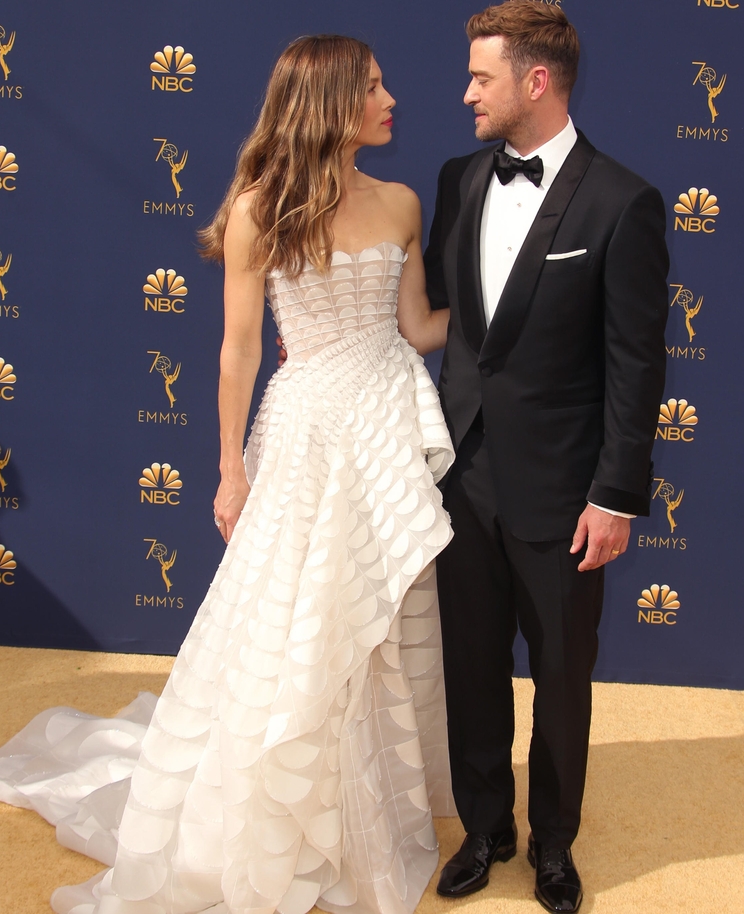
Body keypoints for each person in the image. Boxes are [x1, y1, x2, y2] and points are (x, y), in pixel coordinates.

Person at [0, 36, 456, 914]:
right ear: (330, 98)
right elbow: (240, 351)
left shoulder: (405, 202)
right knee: (298, 621)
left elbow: (415, 328)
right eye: (373, 85)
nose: (391, 97)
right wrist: (228, 469)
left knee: (377, 608)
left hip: (383, 428)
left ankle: (363, 804)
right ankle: (280, 809)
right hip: (304, 434)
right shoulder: (261, 206)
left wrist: (510, 309)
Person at [425, 4, 668, 913]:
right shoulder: (456, 180)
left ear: (536, 81)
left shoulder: (622, 201)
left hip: (567, 491)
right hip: (461, 478)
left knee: (562, 674)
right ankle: (483, 828)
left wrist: (615, 494)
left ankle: (552, 843)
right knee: (470, 664)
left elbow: (637, 363)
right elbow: (441, 319)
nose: (466, 93)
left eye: (481, 78)